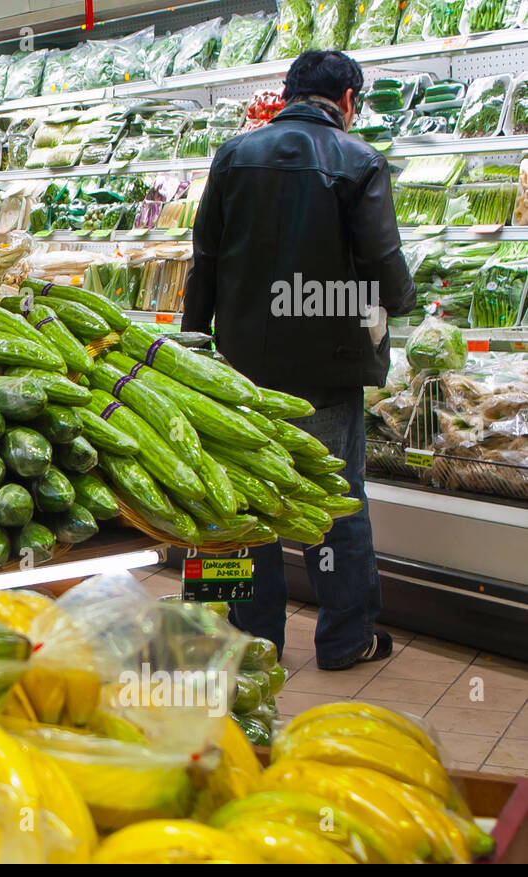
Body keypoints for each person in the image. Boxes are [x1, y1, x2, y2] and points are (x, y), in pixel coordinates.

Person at [181, 50, 416, 670]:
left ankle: (248, 643)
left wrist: (191, 344)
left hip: (241, 369)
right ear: (347, 99)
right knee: (335, 500)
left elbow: (204, 260)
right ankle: (345, 639)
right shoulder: (361, 162)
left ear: (287, 93)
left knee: (235, 499)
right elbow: (384, 265)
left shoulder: (234, 156)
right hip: (329, 370)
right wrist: (401, 302)